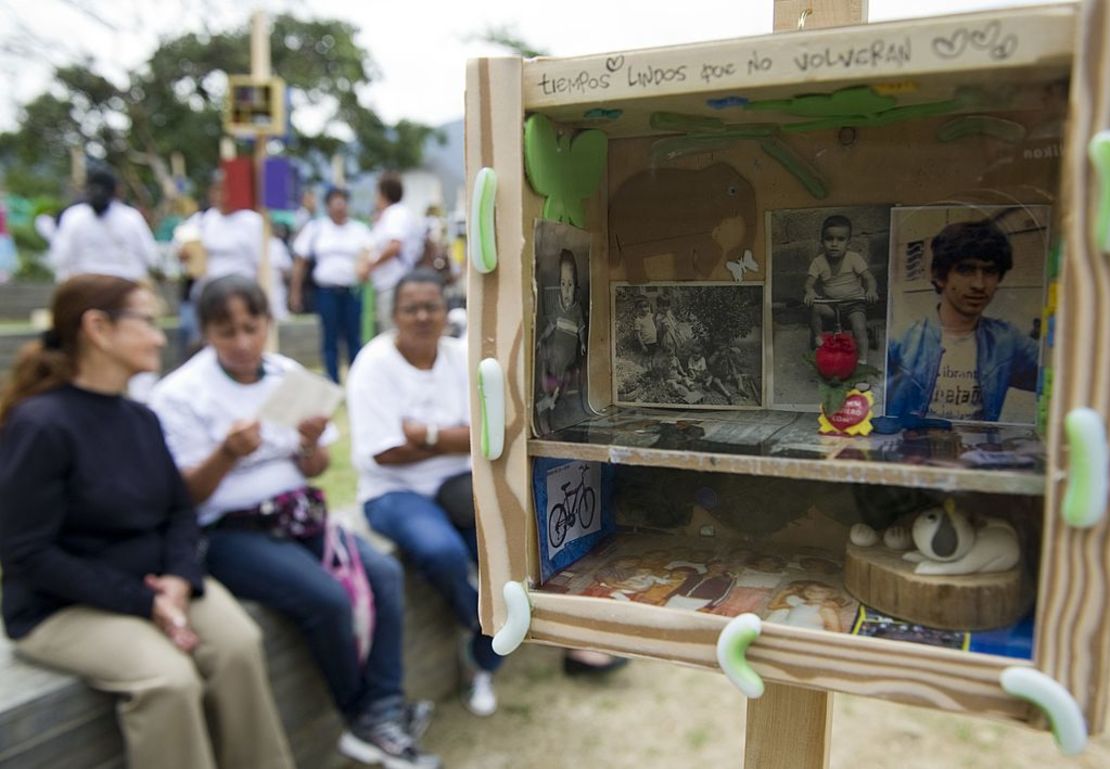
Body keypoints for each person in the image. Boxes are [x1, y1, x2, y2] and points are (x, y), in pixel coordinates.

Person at [0, 275, 294, 769]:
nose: (160, 336)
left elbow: (179, 509)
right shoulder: (41, 425)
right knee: (168, 680)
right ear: (98, 328)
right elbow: (26, 553)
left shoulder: (141, 417)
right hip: (62, 607)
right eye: (146, 322)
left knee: (239, 645)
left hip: (157, 584)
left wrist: (179, 580)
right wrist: (146, 602)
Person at [149, 275, 440, 769]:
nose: (242, 343)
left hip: (298, 515)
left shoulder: (286, 375)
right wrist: (225, 453)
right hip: (227, 531)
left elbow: (317, 467)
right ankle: (361, 717)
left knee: (385, 574)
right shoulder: (179, 394)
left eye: (251, 326)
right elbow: (182, 497)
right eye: (226, 332)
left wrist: (309, 442)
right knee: (326, 599)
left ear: (268, 322)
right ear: (205, 332)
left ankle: (384, 707)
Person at [347, 269, 503, 716]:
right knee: (442, 552)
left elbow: (494, 431)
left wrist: (427, 435)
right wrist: (459, 437)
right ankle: (481, 624)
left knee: (505, 554)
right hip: (392, 492)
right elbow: (385, 454)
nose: (421, 316)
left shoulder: (462, 355)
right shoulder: (373, 365)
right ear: (393, 314)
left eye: (431, 306)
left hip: (458, 482)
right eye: (410, 308)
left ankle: (483, 661)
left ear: (445, 310)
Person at [886, 218, 1040, 422]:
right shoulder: (902, 338)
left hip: (976, 452)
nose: (979, 284)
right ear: (940, 276)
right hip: (913, 450)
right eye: (966, 270)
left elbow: (1060, 378)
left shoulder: (1007, 340)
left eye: (989, 271)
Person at [174, 173, 265, 348]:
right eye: (217, 190)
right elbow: (185, 254)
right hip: (208, 294)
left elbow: (262, 263)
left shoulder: (252, 222)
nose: (222, 196)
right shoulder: (202, 221)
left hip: (241, 294)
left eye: (226, 190)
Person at [290, 187, 371, 382]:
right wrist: (295, 292)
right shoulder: (316, 228)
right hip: (326, 292)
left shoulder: (359, 230)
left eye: (342, 203)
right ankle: (332, 381)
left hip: (351, 291)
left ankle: (356, 381)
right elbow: (300, 262)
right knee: (329, 339)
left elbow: (368, 257)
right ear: (328, 207)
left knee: (353, 338)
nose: (339, 208)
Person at [49, 168, 160, 282]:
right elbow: (151, 257)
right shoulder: (131, 217)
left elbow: (60, 257)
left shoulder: (73, 216)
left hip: (83, 284)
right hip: (125, 285)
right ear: (116, 190)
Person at [802, 214, 879, 365]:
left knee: (859, 328)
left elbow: (869, 278)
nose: (834, 244)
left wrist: (871, 290)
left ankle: (862, 360)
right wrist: (810, 292)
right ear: (822, 242)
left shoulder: (854, 258)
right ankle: (818, 339)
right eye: (829, 239)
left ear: (848, 243)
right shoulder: (818, 262)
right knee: (816, 307)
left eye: (840, 239)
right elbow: (808, 284)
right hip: (832, 305)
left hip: (854, 304)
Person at [360, 173, 425, 334]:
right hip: (388, 283)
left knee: (393, 333)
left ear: (383, 193)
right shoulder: (389, 215)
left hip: (394, 283)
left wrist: (370, 265)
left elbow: (395, 245)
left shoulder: (395, 213)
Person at [537, 248, 587, 418]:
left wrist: (583, 343)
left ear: (576, 287)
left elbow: (581, 328)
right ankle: (548, 396)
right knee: (549, 369)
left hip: (569, 355)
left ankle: (554, 398)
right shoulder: (557, 307)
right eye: (563, 284)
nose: (566, 291)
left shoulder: (577, 310)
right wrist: (542, 338)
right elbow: (551, 326)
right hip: (556, 353)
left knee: (566, 375)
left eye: (570, 285)